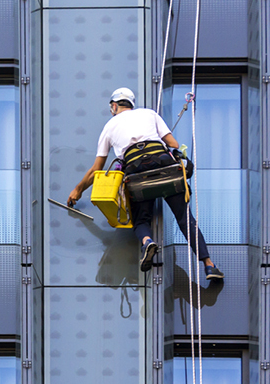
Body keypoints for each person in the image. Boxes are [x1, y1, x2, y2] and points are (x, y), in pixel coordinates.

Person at [67, 87, 224, 280]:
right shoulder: (150, 114)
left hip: (137, 175)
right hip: (165, 168)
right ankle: (209, 265)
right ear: (131, 104)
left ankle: (147, 241)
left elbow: (96, 170)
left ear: (114, 105)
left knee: (141, 220)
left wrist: (77, 190)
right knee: (184, 218)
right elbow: (173, 144)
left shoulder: (109, 126)